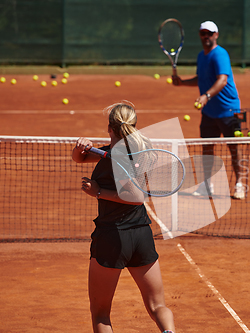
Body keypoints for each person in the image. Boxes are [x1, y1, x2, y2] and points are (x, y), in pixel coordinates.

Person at [72, 102, 176, 333]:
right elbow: (80, 159)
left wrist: (97, 191)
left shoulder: (116, 156)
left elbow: (136, 196)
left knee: (101, 314)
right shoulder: (137, 150)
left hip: (112, 237)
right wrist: (81, 148)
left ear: (110, 128)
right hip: (141, 234)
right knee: (158, 305)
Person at [172, 20, 245, 200]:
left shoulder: (220, 54)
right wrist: (182, 82)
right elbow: (201, 78)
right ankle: (207, 185)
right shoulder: (201, 56)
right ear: (200, 35)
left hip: (228, 110)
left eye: (209, 33)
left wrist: (206, 96)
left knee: (234, 149)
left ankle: (240, 184)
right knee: (207, 149)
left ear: (216, 35)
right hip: (210, 112)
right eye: (203, 33)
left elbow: (222, 80)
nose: (206, 36)